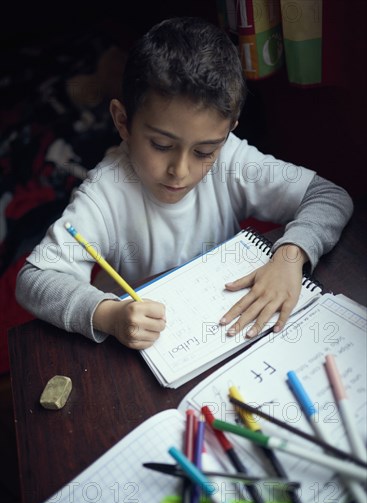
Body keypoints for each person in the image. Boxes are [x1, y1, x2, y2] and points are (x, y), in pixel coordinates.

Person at [16, 16, 353, 350]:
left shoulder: (230, 158)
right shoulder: (106, 192)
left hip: (221, 326)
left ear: (228, 131)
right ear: (123, 121)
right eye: (162, 146)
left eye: (204, 150)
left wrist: (291, 256)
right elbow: (34, 279)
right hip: (153, 342)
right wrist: (107, 314)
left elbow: (328, 196)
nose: (180, 170)